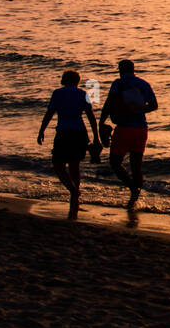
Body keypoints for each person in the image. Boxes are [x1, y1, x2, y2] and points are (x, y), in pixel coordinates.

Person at [37, 69, 100, 217]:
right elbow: (91, 117)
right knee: (74, 166)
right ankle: (74, 198)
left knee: (58, 165)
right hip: (79, 133)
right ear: (77, 81)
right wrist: (96, 137)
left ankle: (73, 191)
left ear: (64, 79)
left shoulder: (58, 93)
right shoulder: (82, 94)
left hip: (64, 133)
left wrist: (41, 131)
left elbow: (49, 113)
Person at [99, 59, 158, 208]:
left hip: (124, 128)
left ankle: (132, 187)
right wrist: (138, 110)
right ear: (133, 69)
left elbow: (109, 103)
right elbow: (154, 105)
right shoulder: (144, 84)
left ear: (120, 69)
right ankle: (135, 199)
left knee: (115, 162)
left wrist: (101, 122)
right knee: (136, 166)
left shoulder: (118, 83)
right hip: (141, 129)